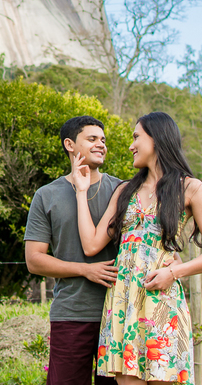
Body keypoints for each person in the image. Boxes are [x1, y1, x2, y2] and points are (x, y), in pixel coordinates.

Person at [71, 111, 202, 385]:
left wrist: (175, 273)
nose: (131, 145)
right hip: (123, 303)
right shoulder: (125, 191)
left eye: (136, 137)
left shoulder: (190, 188)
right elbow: (91, 244)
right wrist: (81, 192)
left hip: (162, 302)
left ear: (156, 139)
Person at [24, 115, 124, 385]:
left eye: (103, 140)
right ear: (70, 144)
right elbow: (34, 261)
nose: (100, 145)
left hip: (119, 315)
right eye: (92, 139)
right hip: (71, 315)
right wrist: (84, 270)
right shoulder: (47, 195)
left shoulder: (122, 191)